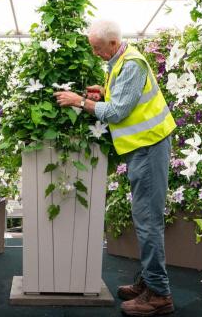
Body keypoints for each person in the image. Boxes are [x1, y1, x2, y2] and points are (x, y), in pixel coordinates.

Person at [54, 19, 177, 317]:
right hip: (142, 148)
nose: (95, 53)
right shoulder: (119, 61)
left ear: (111, 43)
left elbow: (119, 113)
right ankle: (149, 282)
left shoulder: (132, 64)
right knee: (144, 218)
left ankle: (159, 294)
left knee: (148, 221)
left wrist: (80, 102)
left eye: (97, 48)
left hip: (149, 147)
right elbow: (123, 100)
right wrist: (104, 93)